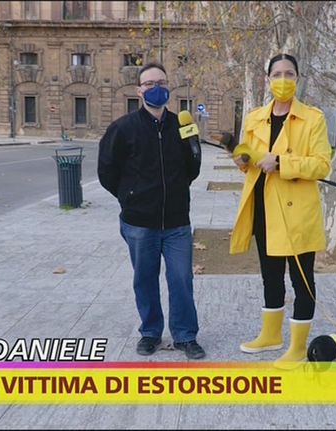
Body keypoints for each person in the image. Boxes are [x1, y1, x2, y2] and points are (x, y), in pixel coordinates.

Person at [229, 53, 332, 368]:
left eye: (289, 74)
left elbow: (321, 165)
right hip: (263, 208)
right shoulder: (255, 118)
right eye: (277, 74)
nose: (283, 80)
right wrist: (242, 159)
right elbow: (249, 156)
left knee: (302, 280)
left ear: (298, 79)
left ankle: (298, 347)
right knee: (270, 276)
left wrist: (282, 163)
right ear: (268, 79)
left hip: (297, 213)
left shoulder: (313, 118)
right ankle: (271, 336)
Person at [98, 62, 205, 360]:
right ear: (139, 91)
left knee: (181, 279)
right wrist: (130, 197)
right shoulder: (122, 128)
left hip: (177, 223)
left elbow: (193, 165)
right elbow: (107, 171)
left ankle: (185, 336)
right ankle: (151, 332)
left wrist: (177, 190)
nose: (156, 88)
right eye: (149, 84)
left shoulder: (183, 125)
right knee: (145, 280)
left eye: (161, 82)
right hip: (139, 223)